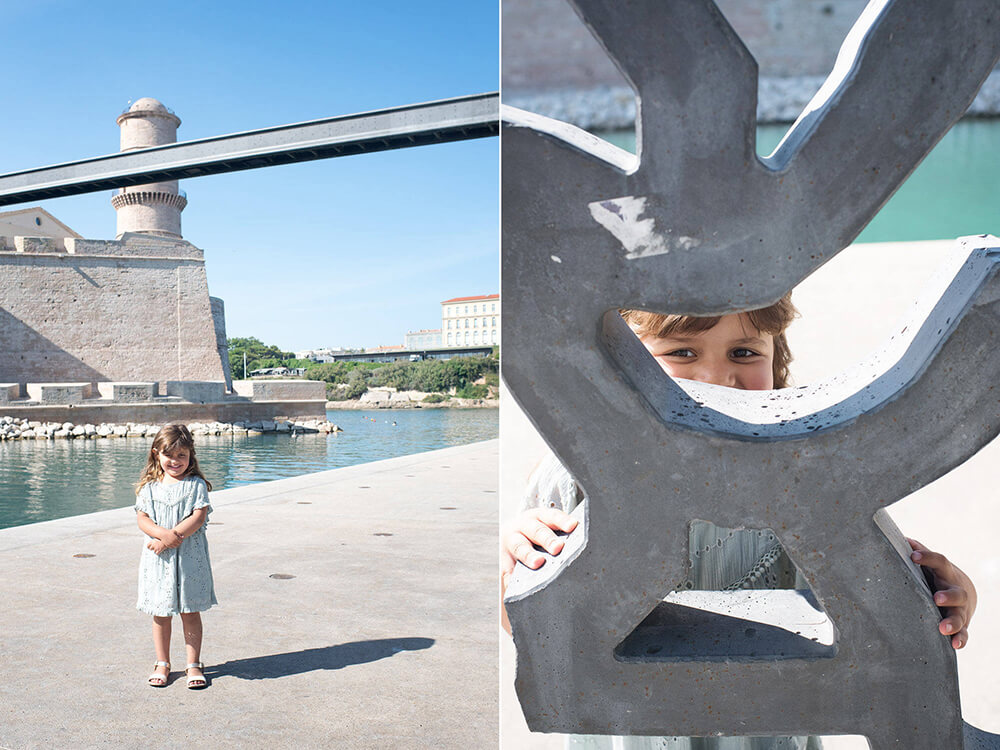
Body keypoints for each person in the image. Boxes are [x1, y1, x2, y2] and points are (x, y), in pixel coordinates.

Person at [501, 297, 977, 749]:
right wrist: (510, 567)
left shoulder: (807, 476)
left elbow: (875, 590)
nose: (715, 376)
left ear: (777, 366)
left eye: (744, 351)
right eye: (681, 351)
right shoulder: (575, 476)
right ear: (619, 370)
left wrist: (942, 597)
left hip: (770, 731)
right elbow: (531, 631)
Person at [135, 423, 217, 689]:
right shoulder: (149, 487)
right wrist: (161, 535)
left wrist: (170, 538)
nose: (176, 461)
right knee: (161, 613)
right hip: (159, 561)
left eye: (182, 455)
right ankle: (162, 661)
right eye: (170, 455)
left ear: (191, 456)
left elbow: (198, 516)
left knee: (190, 611)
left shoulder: (196, 486)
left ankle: (193, 663)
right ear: (157, 453)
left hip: (189, 560)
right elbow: (142, 518)